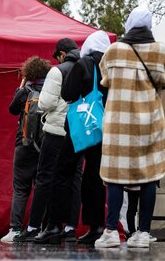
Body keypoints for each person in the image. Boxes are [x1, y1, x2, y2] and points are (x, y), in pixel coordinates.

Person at [94, 5, 165, 248]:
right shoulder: (160, 51)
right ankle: (143, 233)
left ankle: (110, 232)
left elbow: (105, 79)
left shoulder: (114, 51)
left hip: (119, 121)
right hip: (149, 121)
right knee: (149, 176)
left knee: (115, 175)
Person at [35, 30, 111, 245]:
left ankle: (55, 225)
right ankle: (95, 226)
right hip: (101, 127)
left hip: (80, 126)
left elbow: (68, 93)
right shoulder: (110, 66)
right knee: (94, 176)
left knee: (62, 172)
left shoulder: (84, 63)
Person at [13, 38, 81, 242]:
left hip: (56, 131)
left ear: (61, 54)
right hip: (78, 132)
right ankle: (67, 227)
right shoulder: (86, 66)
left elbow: (46, 103)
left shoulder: (57, 71)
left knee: (45, 179)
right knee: (72, 180)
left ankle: (35, 226)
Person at [1, 56, 52, 243]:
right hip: (45, 146)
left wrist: (21, 88)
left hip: (23, 145)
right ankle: (40, 228)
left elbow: (12, 109)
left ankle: (15, 229)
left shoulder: (25, 91)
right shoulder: (51, 90)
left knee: (21, 189)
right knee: (42, 187)